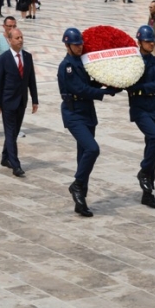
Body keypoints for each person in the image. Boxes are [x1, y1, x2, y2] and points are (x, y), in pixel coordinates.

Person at [58, 28, 121, 217]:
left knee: (83, 155)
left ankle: (81, 200)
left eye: (81, 44)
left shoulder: (83, 61)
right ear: (68, 45)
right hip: (74, 113)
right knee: (92, 149)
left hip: (87, 113)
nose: (80, 47)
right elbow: (80, 89)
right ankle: (77, 185)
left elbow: (91, 82)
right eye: (76, 44)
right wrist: (103, 92)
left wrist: (108, 83)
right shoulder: (66, 66)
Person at [127, 25, 155, 208]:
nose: (151, 44)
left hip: (154, 108)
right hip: (139, 108)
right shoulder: (132, 62)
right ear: (139, 42)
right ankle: (144, 172)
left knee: (152, 147)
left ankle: (147, 192)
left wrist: (139, 88)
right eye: (148, 41)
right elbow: (126, 82)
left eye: (152, 41)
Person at [0, 28, 38, 177]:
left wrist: (35, 100)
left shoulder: (27, 57)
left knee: (15, 131)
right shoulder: (4, 58)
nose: (20, 40)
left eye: (21, 37)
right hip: (7, 102)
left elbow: (31, 80)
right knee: (11, 133)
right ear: (10, 40)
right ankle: (15, 165)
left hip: (22, 101)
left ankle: (5, 157)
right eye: (17, 38)